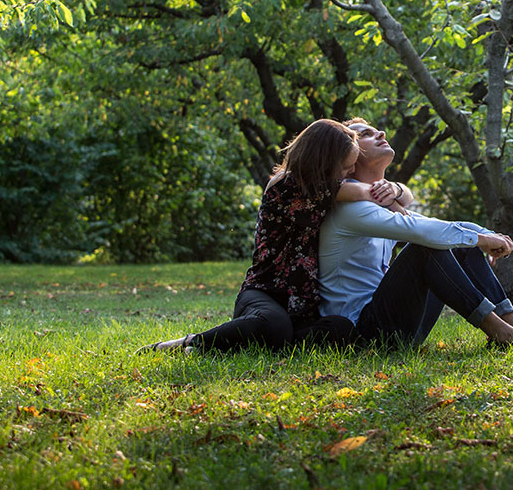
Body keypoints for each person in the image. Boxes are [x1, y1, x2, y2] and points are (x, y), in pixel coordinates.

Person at [138, 119, 397, 354]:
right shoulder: (286, 184)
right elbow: (362, 193)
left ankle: (261, 345)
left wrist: (395, 189)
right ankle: (190, 343)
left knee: (340, 328)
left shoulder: (326, 189)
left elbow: (387, 194)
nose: (348, 175)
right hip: (265, 293)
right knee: (274, 323)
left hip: (303, 305)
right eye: (345, 168)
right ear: (324, 161)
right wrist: (389, 193)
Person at [319, 118, 513, 349]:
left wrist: (488, 235)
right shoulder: (350, 208)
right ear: (350, 159)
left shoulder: (378, 203)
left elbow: (433, 224)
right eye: (366, 134)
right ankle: (502, 334)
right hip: (363, 334)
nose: (381, 133)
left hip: (396, 324)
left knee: (455, 241)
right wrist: (483, 239)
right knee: (427, 246)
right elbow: (422, 231)